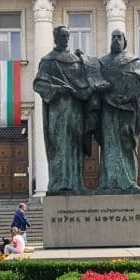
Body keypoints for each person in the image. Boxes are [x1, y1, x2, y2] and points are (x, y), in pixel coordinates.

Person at [33, 26, 107, 195]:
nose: (65, 39)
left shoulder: (76, 59)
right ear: (55, 38)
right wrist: (57, 88)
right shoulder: (48, 60)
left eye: (67, 36)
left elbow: (86, 82)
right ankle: (59, 184)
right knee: (60, 146)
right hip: (58, 111)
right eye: (62, 36)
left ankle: (76, 183)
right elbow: (39, 84)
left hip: (76, 110)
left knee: (76, 146)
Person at [95, 29, 140, 193]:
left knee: (127, 144)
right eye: (113, 37)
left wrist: (129, 97)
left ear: (124, 41)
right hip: (108, 109)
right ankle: (108, 181)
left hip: (127, 110)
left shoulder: (133, 61)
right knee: (109, 145)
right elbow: (94, 81)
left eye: (119, 37)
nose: (116, 40)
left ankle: (129, 182)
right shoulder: (102, 62)